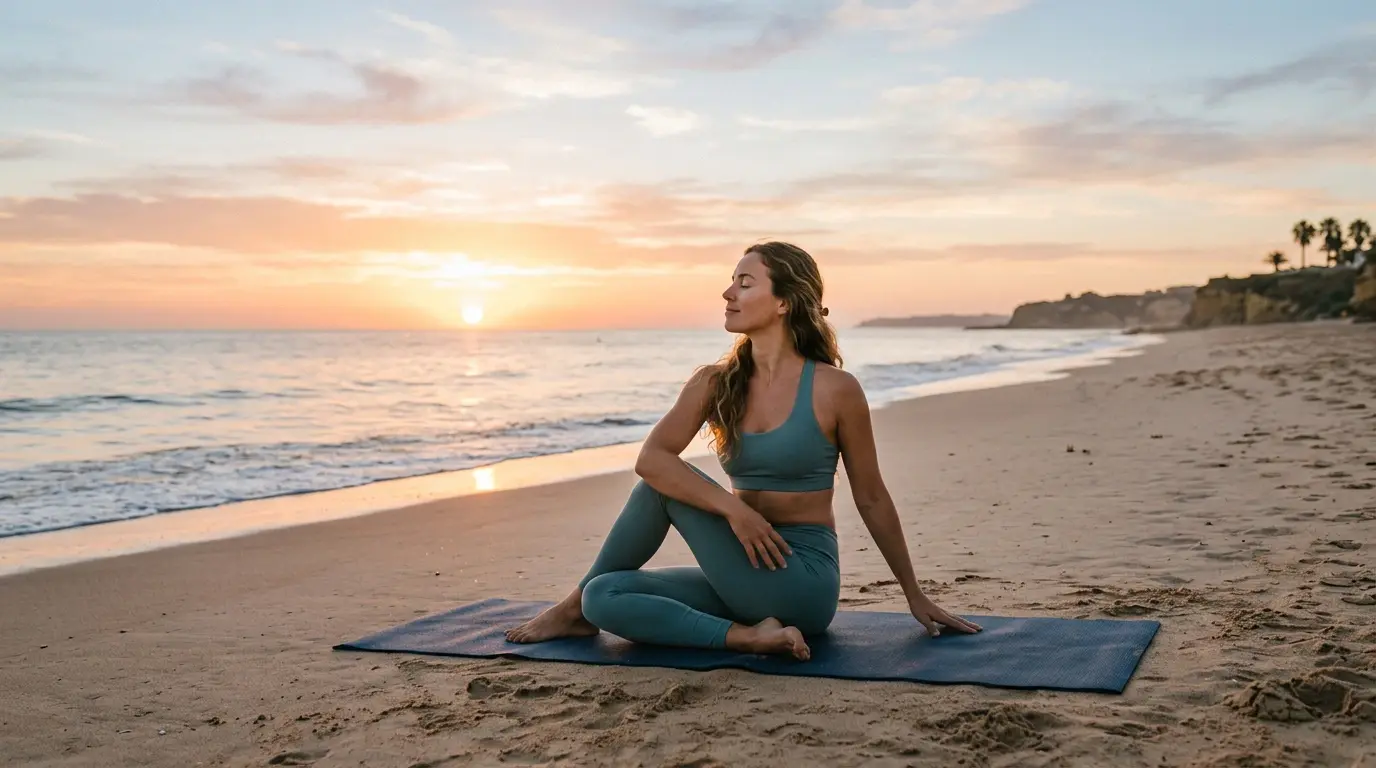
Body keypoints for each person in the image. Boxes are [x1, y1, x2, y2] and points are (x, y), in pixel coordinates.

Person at [505, 241, 981, 660]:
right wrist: (736, 511)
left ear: (784, 303)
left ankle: (571, 609)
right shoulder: (714, 383)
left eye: (745, 283)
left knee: (661, 489)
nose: (728, 293)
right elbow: (649, 458)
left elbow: (872, 496)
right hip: (740, 565)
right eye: (731, 282)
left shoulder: (836, 390)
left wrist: (913, 594)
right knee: (604, 594)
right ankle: (748, 637)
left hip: (802, 579)